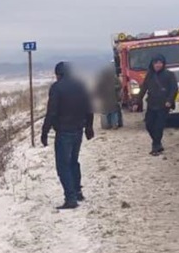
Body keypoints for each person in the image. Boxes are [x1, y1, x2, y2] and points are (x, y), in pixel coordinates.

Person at [41, 61, 95, 209]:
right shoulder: (80, 85)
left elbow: (51, 112)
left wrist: (44, 132)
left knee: (63, 165)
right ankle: (77, 192)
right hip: (78, 130)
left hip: (64, 132)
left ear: (58, 74)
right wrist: (89, 127)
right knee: (73, 162)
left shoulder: (56, 88)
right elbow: (89, 108)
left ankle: (71, 198)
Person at [142, 54, 178, 155]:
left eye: (160, 63)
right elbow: (143, 88)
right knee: (149, 125)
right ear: (152, 64)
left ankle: (155, 146)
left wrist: (169, 101)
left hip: (164, 105)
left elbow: (174, 89)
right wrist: (136, 101)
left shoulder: (169, 75)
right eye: (156, 63)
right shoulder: (149, 75)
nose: (158, 65)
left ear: (163, 64)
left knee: (159, 126)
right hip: (151, 103)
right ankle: (157, 143)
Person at [95, 65, 123, 130]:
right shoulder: (102, 79)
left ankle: (114, 125)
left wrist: (114, 88)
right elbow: (98, 89)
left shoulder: (114, 78)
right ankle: (109, 124)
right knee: (108, 113)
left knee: (114, 112)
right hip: (106, 99)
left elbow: (120, 86)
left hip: (114, 98)